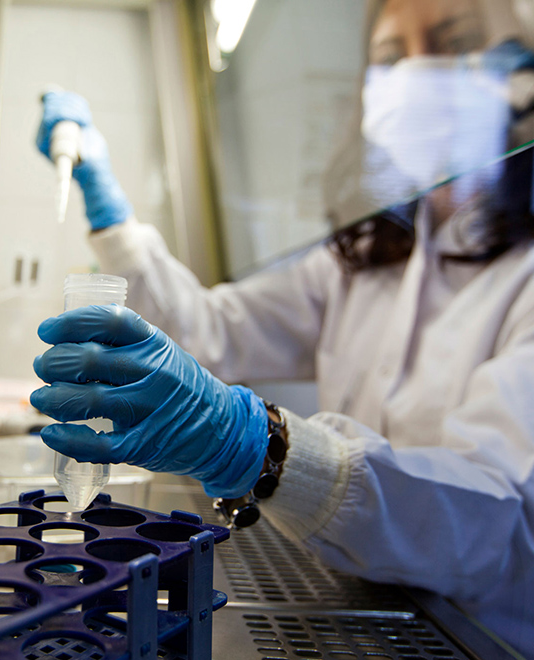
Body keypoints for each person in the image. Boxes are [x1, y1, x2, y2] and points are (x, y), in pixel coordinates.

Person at [31, 0, 534, 655]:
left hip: (483, 636)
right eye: (389, 57)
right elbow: (211, 331)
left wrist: (260, 448)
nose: (414, 73)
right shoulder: (370, 254)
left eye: (452, 41)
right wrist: (113, 217)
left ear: (521, 73)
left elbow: (493, 523)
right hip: (355, 606)